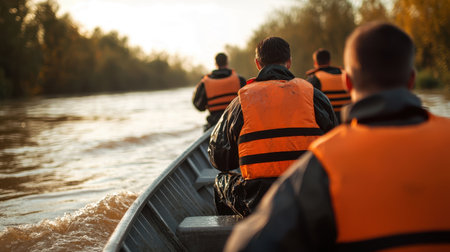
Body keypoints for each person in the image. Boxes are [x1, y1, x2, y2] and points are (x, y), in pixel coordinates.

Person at [225, 22, 450, 251]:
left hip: (255, 194)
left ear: (348, 82)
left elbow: (245, 246)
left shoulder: (325, 162)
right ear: (411, 80)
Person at [208, 37, 337, 217]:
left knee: (221, 180)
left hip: (257, 202)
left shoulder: (240, 102)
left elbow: (220, 160)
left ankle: (239, 239)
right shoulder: (315, 96)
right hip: (308, 195)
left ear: (258, 64)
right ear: (289, 63)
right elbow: (334, 151)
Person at [192, 53, 246, 131]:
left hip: (214, 125)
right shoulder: (240, 79)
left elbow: (199, 106)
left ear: (215, 63)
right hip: (236, 124)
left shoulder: (204, 83)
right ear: (227, 62)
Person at [306, 49, 351, 122]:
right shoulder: (346, 74)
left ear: (315, 63)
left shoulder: (314, 79)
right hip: (349, 120)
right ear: (329, 61)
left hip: (329, 124)